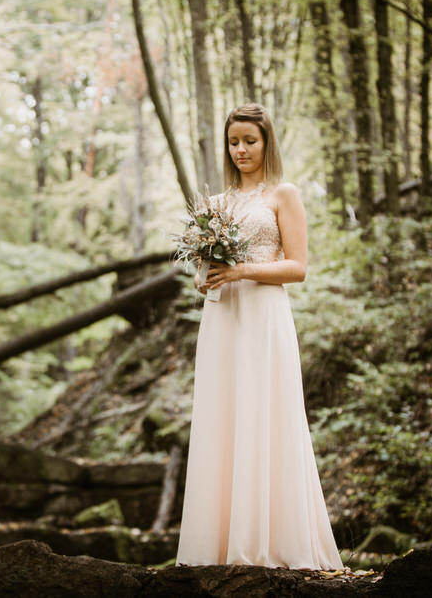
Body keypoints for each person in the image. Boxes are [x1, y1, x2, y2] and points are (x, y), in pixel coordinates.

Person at [175, 104, 343, 570]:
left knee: (265, 414)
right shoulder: (219, 204)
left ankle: (273, 543)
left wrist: (243, 269)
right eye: (234, 142)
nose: (241, 149)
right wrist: (205, 275)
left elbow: (298, 267)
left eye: (249, 140)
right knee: (224, 416)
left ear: (266, 141)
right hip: (223, 320)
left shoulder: (282, 195)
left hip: (264, 318)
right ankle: (219, 546)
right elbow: (203, 273)